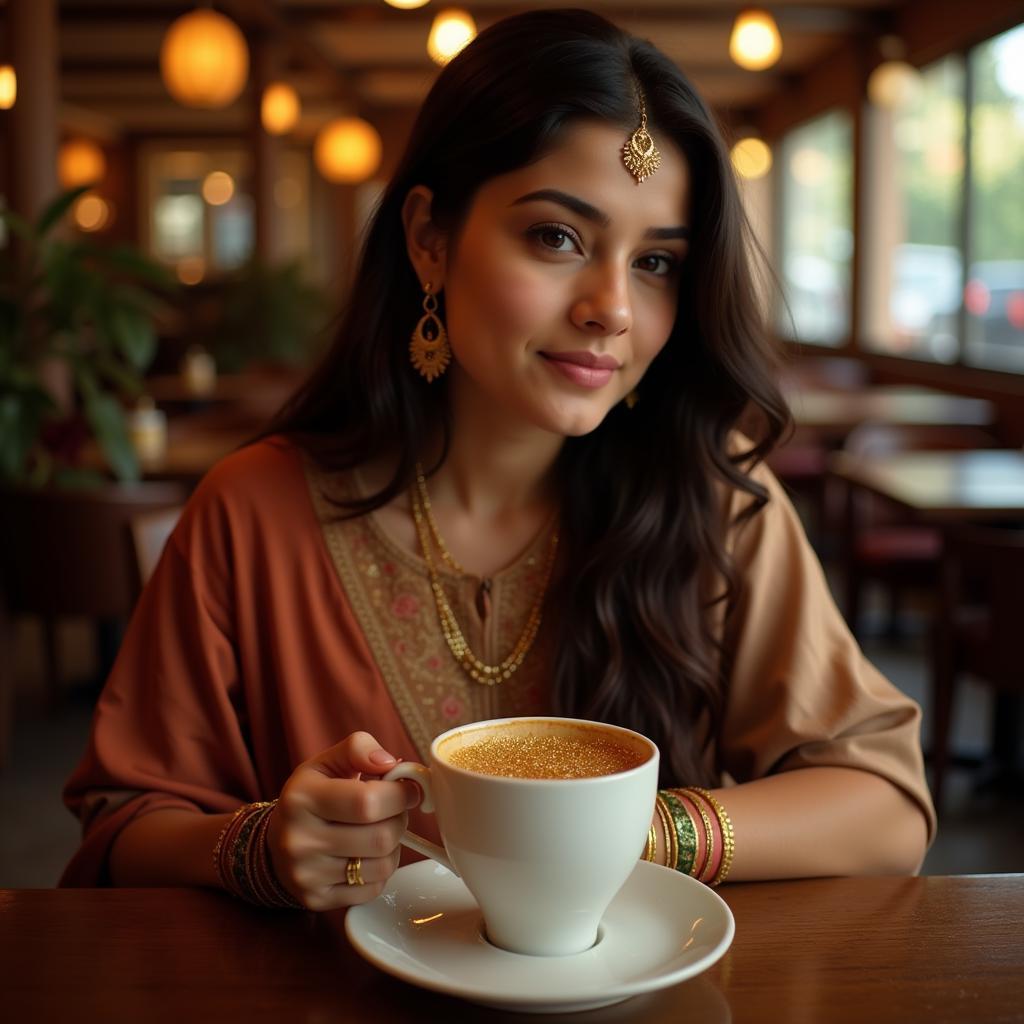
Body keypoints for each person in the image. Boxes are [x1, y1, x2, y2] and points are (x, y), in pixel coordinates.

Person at [62, 9, 935, 909]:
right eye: (558, 237)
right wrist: (260, 846)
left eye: (657, 263)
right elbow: (124, 826)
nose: (613, 309)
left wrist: (631, 830)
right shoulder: (252, 510)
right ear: (429, 238)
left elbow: (885, 810)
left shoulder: (711, 500)